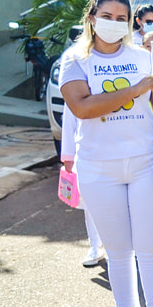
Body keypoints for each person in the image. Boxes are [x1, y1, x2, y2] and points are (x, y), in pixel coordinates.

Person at [59, 0, 153, 307]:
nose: (114, 24)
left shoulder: (144, 58)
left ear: (130, 23)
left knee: (150, 249)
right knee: (118, 251)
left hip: (145, 165)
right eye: (107, 17)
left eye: (121, 18)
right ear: (91, 18)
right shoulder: (75, 60)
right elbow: (83, 107)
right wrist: (135, 89)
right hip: (98, 169)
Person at [60, 104, 105, 267]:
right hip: (86, 155)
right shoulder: (75, 88)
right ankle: (95, 246)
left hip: (118, 153)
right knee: (90, 204)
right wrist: (68, 157)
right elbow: (69, 121)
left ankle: (124, 248)